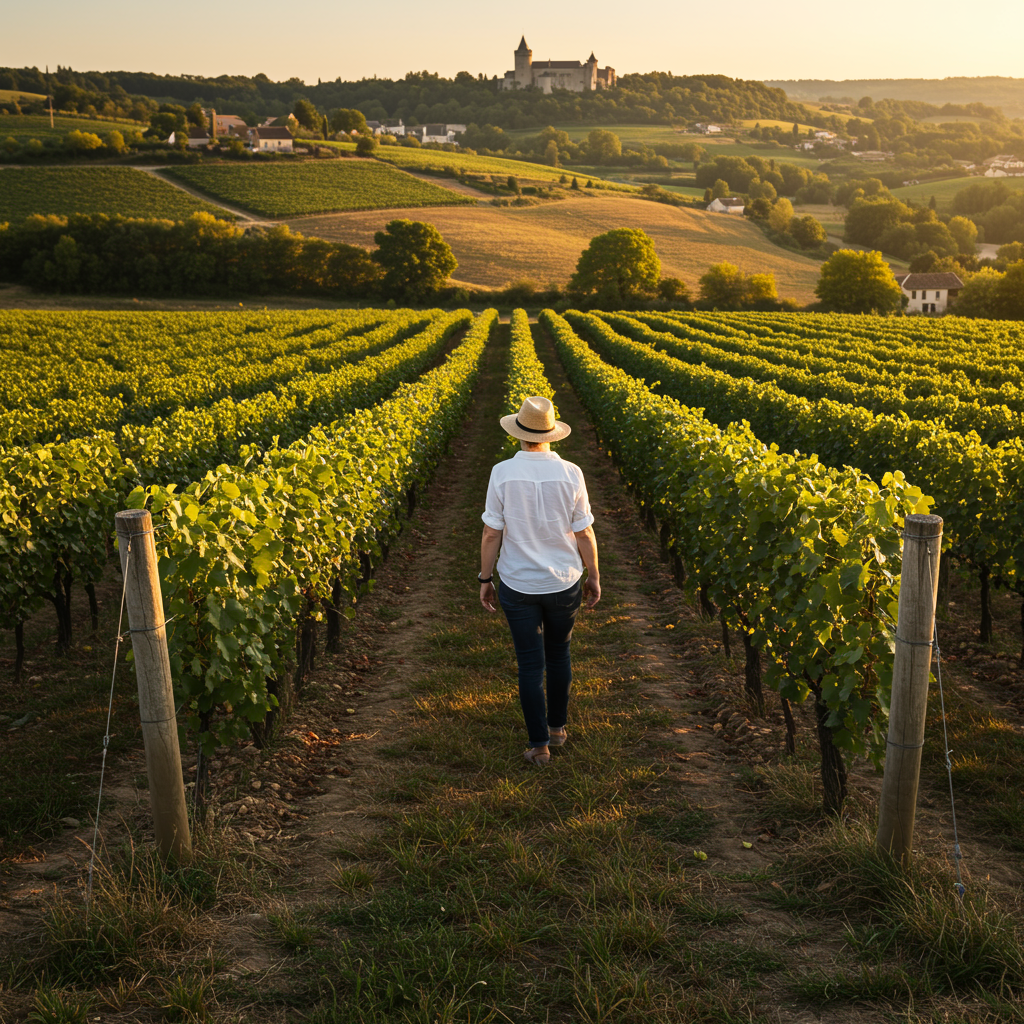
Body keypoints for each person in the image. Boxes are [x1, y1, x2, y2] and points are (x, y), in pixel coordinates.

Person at [479, 396, 601, 766]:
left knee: (530, 664)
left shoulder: (502, 472)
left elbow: (490, 533)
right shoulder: (571, 472)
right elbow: (584, 532)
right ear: (551, 434)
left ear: (518, 433)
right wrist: (593, 574)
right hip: (564, 581)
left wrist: (486, 577)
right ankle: (558, 728)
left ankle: (539, 745)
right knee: (559, 653)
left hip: (518, 584)